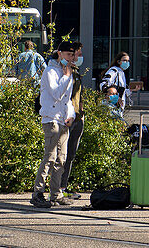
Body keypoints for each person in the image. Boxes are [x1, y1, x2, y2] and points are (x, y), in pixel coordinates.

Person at [31, 42, 76, 208]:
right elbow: (57, 94)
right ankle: (38, 192)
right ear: (60, 53)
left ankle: (56, 194)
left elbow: (68, 99)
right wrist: (66, 76)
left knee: (61, 159)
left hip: (63, 120)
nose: (72, 58)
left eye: (73, 55)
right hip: (51, 118)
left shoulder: (66, 72)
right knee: (49, 157)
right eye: (69, 55)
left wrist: (71, 115)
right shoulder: (50, 71)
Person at [59, 42, 86, 199]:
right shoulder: (61, 71)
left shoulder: (75, 72)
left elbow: (79, 96)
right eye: (78, 54)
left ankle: (63, 186)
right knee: (61, 154)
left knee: (70, 154)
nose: (80, 57)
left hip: (77, 117)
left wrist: (81, 112)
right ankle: (56, 188)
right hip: (66, 118)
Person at [100, 51, 140, 119]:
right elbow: (103, 84)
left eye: (128, 61)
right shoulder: (114, 71)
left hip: (118, 107)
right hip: (112, 106)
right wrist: (114, 96)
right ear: (118, 61)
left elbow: (121, 91)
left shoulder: (121, 72)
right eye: (124, 60)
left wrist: (130, 90)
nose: (126, 62)